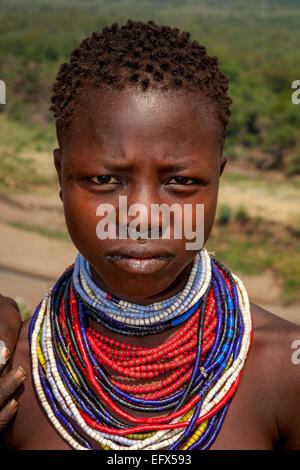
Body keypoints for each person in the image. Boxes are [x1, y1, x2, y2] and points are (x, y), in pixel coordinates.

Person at [2, 20, 300, 450]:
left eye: (181, 182)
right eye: (105, 179)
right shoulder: (18, 377)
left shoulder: (283, 370)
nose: (142, 215)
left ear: (218, 178)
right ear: (60, 176)